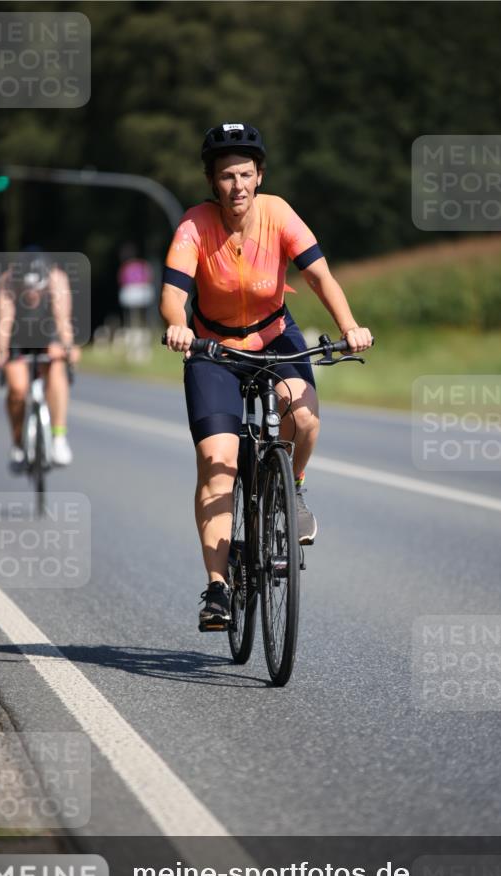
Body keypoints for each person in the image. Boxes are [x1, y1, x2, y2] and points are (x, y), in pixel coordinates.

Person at [160, 123, 372, 630]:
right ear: (212, 182)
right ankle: (218, 587)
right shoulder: (194, 225)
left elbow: (318, 275)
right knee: (217, 461)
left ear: (259, 176)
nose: (237, 185)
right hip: (213, 348)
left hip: (275, 336)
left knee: (304, 415)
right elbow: (173, 293)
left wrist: (349, 326)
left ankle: (292, 486)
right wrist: (176, 325)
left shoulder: (278, 214)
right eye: (226, 176)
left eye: (245, 174)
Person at [0, 248, 81, 471]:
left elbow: (62, 320)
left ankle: (59, 438)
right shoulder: (9, 280)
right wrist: (0, 350)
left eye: (36, 289)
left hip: (48, 331)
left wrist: (68, 348)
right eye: (27, 289)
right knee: (18, 388)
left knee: (56, 367)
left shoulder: (57, 278)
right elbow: (5, 321)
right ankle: (18, 444)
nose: (32, 295)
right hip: (18, 332)